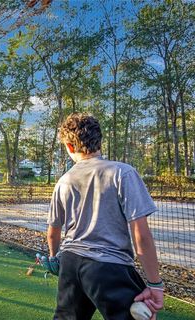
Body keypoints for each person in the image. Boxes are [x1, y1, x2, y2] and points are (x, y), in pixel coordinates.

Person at [47, 113, 164, 320]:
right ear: (99, 141)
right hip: (109, 267)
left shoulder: (63, 181)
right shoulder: (123, 173)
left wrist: (55, 257)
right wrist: (155, 284)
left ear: (69, 147)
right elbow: (141, 236)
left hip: (70, 264)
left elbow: (53, 233)